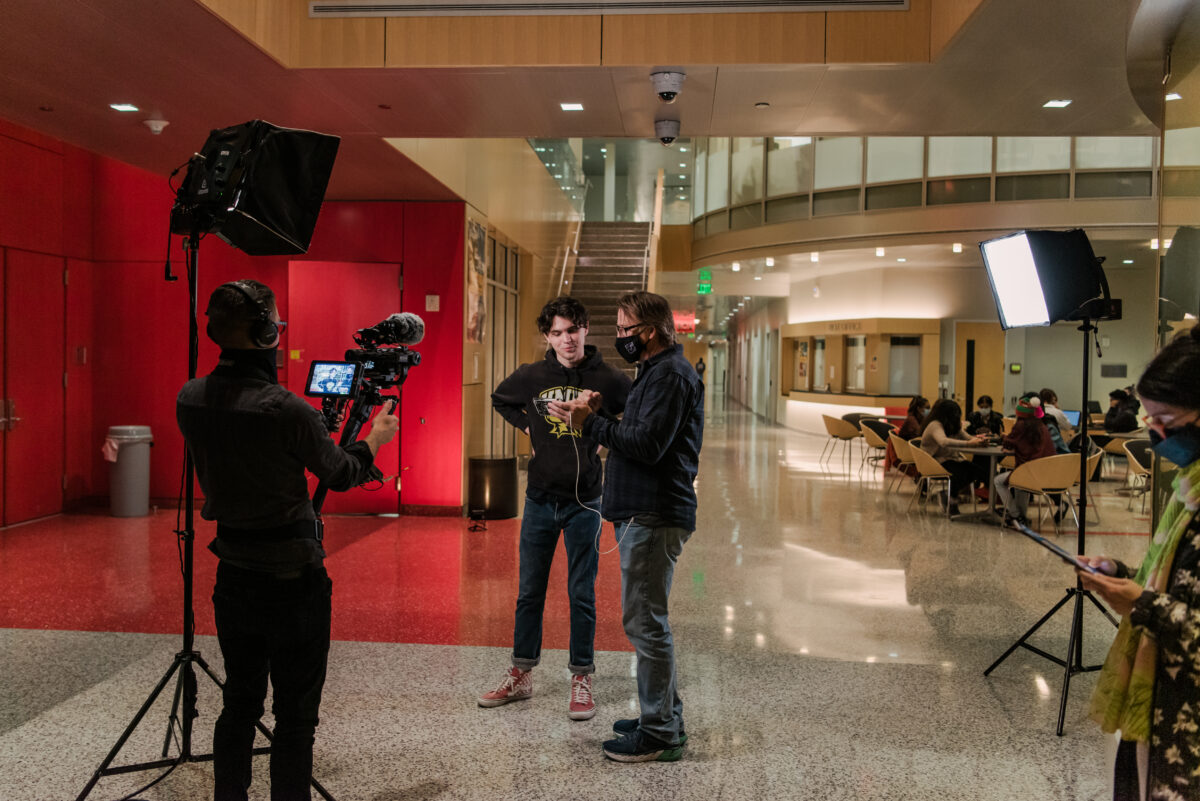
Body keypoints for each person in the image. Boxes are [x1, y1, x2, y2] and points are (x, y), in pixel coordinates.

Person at [177, 280, 399, 801]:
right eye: (275, 324)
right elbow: (342, 472)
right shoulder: (286, 410)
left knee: (240, 701)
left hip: (232, 573)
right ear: (262, 333)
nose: (279, 331)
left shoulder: (190, 398)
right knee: (296, 717)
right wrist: (373, 440)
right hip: (293, 580)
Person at [549, 290, 703, 763]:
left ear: (650, 331)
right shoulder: (655, 373)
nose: (619, 337)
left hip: (655, 515)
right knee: (646, 620)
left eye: (624, 329)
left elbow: (647, 446)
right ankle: (662, 714)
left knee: (646, 624)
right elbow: (639, 434)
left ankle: (659, 733)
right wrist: (602, 416)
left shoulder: (671, 376)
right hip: (645, 511)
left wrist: (589, 424)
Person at [479, 296, 631, 720]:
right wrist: (528, 424)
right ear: (548, 336)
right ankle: (521, 673)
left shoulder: (609, 378)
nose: (567, 339)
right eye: (558, 332)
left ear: (585, 329)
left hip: (586, 500)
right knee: (530, 591)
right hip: (541, 498)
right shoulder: (531, 376)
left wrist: (604, 431)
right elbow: (500, 399)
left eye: (573, 330)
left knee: (581, 593)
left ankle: (581, 677)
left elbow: (635, 417)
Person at [1077, 325, 1200, 800]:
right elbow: (1179, 582)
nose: (1157, 435)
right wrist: (1124, 576)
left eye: (1166, 419)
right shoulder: (1189, 488)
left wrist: (1143, 605)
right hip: (1158, 711)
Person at [992, 396, 1055, 528]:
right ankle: (1022, 517)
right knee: (1020, 483)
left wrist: (1003, 437)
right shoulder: (1042, 426)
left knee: (998, 481)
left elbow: (1010, 442)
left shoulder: (1021, 425)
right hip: (1046, 472)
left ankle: (1014, 514)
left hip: (1028, 472)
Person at [919, 399, 988, 514]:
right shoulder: (934, 425)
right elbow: (943, 442)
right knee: (959, 473)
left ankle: (948, 495)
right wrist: (969, 444)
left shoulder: (952, 425)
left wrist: (979, 440)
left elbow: (967, 437)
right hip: (934, 461)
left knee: (977, 471)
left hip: (950, 459)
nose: (957, 417)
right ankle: (951, 500)